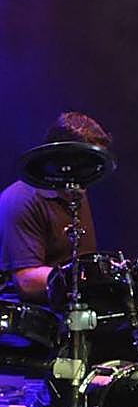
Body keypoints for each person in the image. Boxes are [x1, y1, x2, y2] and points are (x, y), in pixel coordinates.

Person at [0, 111, 112, 304]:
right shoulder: (20, 199)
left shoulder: (76, 192)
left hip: (69, 307)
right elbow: (27, 281)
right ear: (64, 160)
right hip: (33, 321)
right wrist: (88, 277)